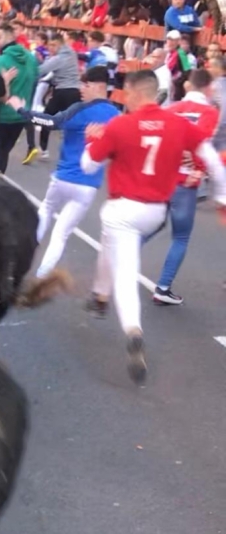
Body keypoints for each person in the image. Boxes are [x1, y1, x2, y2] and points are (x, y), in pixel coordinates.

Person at [80, 70, 226, 385]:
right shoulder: (179, 124)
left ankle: (132, 328)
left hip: (123, 207)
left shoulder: (120, 124)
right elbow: (212, 161)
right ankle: (99, 296)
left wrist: (90, 141)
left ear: (134, 91)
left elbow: (88, 165)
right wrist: (222, 195)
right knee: (110, 242)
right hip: (156, 209)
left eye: (126, 92)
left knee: (124, 268)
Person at [8, 66, 119, 278]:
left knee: (46, 211)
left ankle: (20, 264)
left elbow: (50, 122)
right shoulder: (116, 116)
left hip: (64, 178)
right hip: (88, 185)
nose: (81, 89)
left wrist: (22, 110)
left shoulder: (80, 109)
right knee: (61, 234)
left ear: (99, 86)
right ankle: (41, 276)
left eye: (85, 84)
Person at [144, 69, 219, 305]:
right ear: (208, 88)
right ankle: (163, 287)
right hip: (185, 181)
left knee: (155, 223)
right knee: (181, 236)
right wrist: (199, 165)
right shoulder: (209, 112)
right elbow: (203, 142)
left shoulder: (171, 108)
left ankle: (116, 257)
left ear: (188, 86)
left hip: (163, 176)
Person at [0, 22, 38, 174]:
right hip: (21, 114)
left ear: (8, 36)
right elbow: (36, 79)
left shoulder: (1, 61)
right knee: (4, 151)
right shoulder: (31, 58)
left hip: (3, 115)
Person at [36, 33, 81, 159]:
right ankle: (75, 153)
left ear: (61, 44)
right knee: (73, 124)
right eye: (49, 45)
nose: (51, 48)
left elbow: (40, 70)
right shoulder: (72, 53)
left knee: (46, 119)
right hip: (75, 91)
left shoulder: (59, 58)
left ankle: (43, 149)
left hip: (63, 91)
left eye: (54, 45)